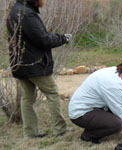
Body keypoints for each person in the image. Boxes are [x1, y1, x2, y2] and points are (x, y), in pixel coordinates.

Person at [7, 0, 72, 138]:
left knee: (28, 98)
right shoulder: (27, 14)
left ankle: (30, 133)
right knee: (52, 93)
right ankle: (60, 130)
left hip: (20, 63)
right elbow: (43, 39)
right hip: (34, 64)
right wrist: (63, 38)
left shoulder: (16, 9)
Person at [68, 58, 122, 144]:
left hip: (93, 107)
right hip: (80, 113)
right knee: (117, 123)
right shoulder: (114, 84)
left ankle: (94, 127)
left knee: (119, 118)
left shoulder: (117, 73)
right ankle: (88, 135)